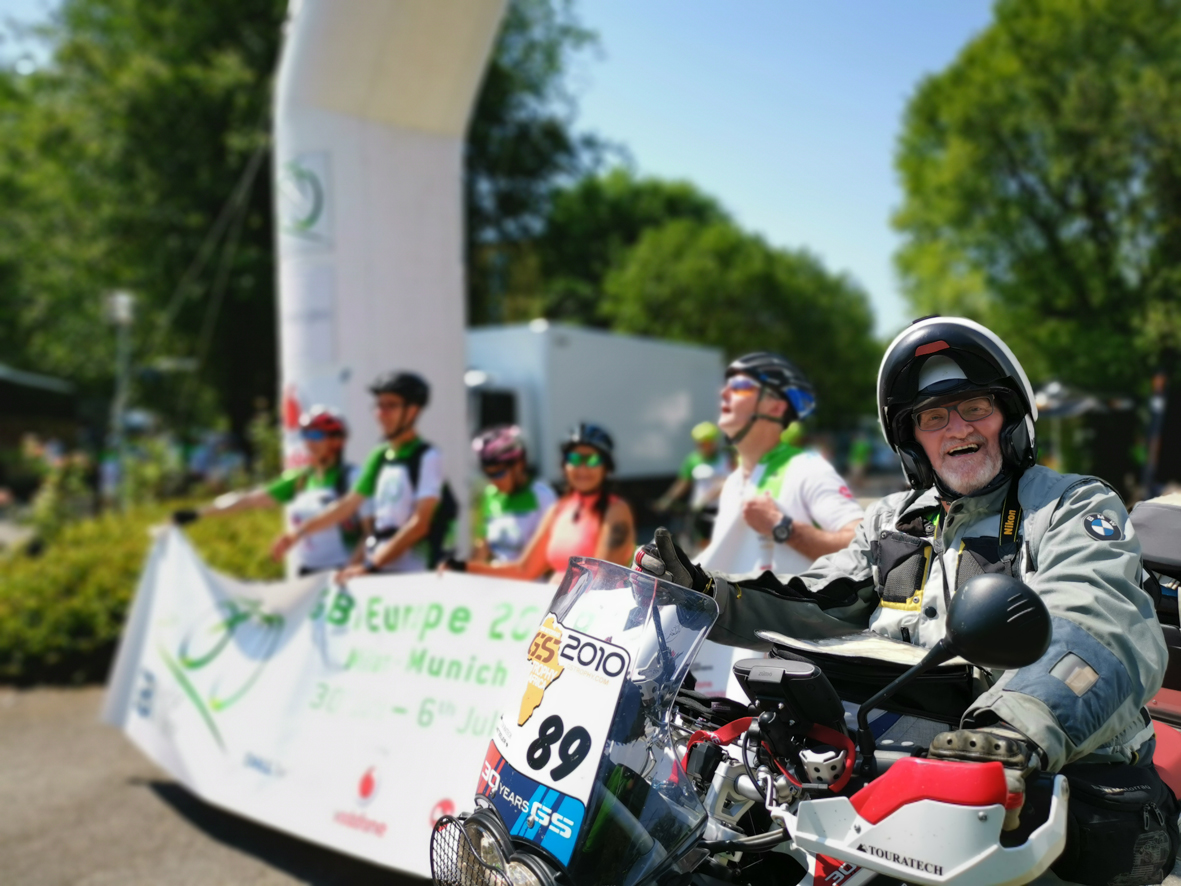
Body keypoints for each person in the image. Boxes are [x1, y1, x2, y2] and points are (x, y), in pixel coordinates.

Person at [638, 317, 1174, 882]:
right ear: (912, 440)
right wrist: (708, 593)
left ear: (1010, 418)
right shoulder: (894, 521)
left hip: (1042, 780)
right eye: (932, 417)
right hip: (896, 778)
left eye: (975, 407)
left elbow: (1096, 615)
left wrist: (1009, 733)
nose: (955, 428)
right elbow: (818, 599)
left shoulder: (1069, 506)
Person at [689, 352, 865, 696]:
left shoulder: (807, 469)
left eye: (740, 386)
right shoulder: (734, 481)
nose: (724, 393)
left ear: (775, 406)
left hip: (787, 668)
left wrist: (783, 527)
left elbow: (862, 546)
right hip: (737, 657)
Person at [272, 371, 451, 578]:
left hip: (413, 572)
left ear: (412, 411)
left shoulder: (428, 456)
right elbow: (347, 505)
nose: (381, 413)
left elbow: (420, 524)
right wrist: (298, 533)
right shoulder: (380, 455)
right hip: (381, 568)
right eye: (379, 406)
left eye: (391, 406)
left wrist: (370, 566)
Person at [174, 407, 366, 576]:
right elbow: (248, 500)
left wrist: (350, 570)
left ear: (336, 441)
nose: (309, 441)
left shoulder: (352, 477)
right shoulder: (300, 479)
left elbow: (369, 533)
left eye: (316, 435)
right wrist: (197, 513)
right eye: (305, 434)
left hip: (343, 573)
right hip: (309, 575)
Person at [443, 423, 634, 582]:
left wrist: (557, 588)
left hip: (586, 612)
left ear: (606, 466)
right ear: (564, 466)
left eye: (592, 460)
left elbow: (601, 580)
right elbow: (524, 570)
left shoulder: (616, 510)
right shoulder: (559, 509)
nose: (582, 468)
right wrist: (462, 568)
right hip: (557, 609)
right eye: (574, 458)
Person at [469, 425, 557, 565]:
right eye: (488, 474)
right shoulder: (488, 494)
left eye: (499, 473)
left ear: (519, 465)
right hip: (494, 577)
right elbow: (481, 551)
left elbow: (551, 556)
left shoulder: (543, 496)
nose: (493, 481)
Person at [653, 421, 732, 548]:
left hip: (724, 508)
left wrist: (713, 494)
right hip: (701, 510)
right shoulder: (692, 460)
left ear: (714, 442)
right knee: (704, 543)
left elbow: (733, 481)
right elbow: (683, 483)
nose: (704, 447)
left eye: (707, 443)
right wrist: (667, 500)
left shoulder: (727, 459)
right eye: (700, 443)